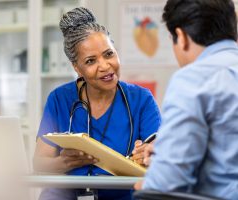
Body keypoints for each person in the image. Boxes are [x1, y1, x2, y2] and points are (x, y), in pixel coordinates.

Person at [33, 7, 161, 200]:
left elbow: (160, 155)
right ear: (77, 68)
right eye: (91, 61)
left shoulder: (141, 99)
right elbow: (39, 163)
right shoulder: (60, 99)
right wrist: (64, 162)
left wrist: (147, 156)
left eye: (109, 54)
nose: (104, 66)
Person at [134, 0, 238, 199]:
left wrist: (149, 182)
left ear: (181, 38)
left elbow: (166, 184)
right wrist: (168, 149)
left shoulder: (193, 79)